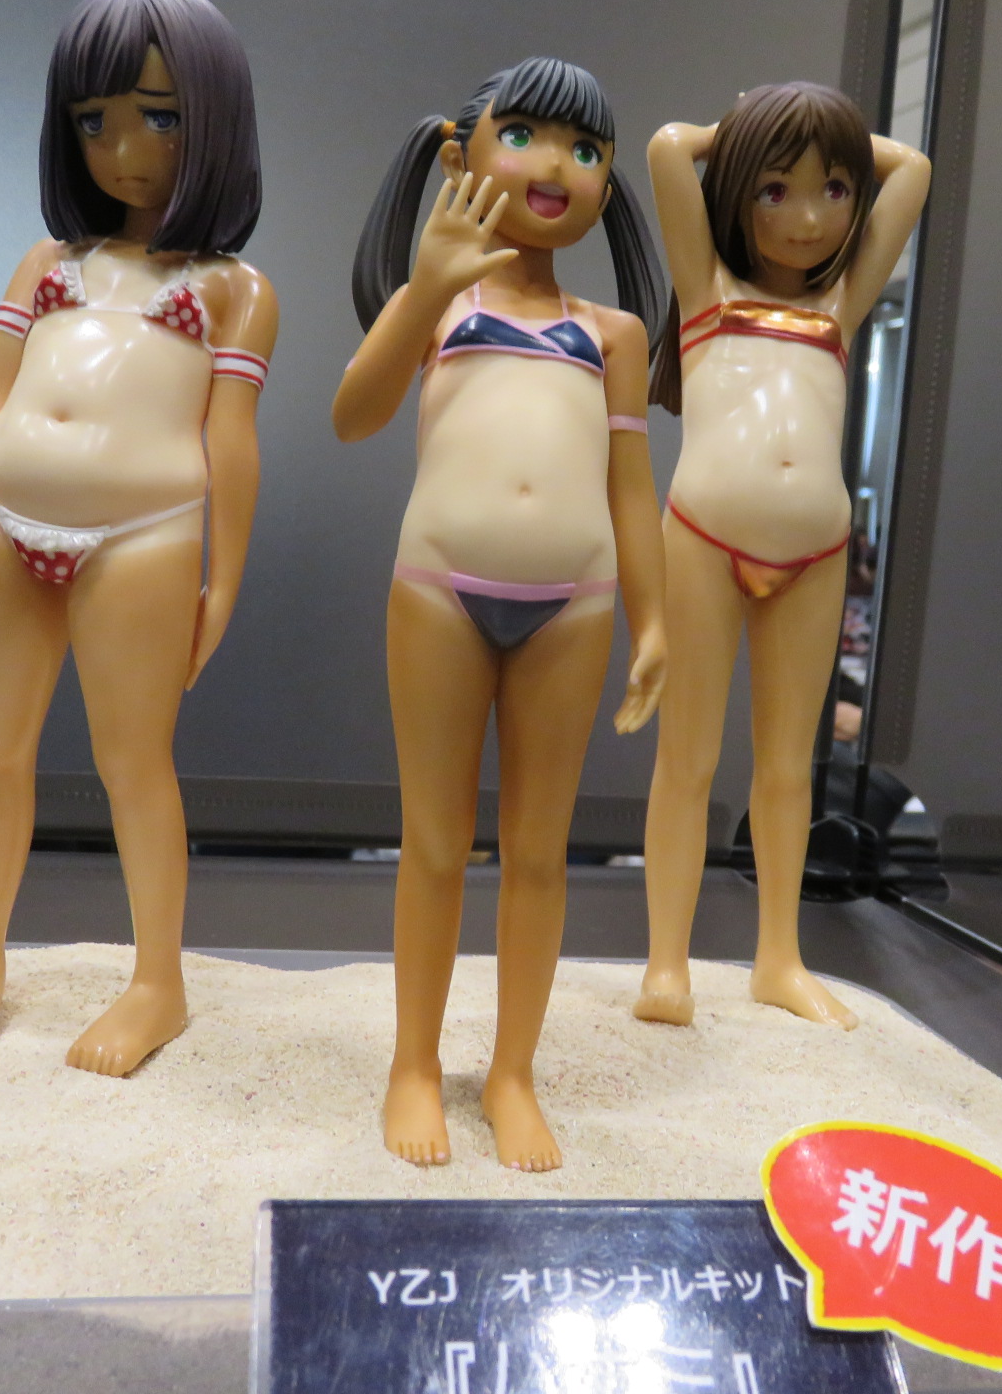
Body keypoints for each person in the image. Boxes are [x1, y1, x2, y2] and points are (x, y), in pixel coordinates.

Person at [0, 0, 275, 1076]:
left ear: (213, 120)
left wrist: (225, 578)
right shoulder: (47, 264)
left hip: (146, 535)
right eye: (95, 120)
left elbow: (232, 441)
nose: (125, 150)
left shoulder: (234, 291)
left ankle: (158, 981)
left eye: (160, 117)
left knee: (134, 765)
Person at [336, 57, 667, 1170]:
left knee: (538, 855)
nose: (555, 166)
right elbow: (352, 415)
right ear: (458, 155)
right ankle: (414, 1064)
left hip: (576, 606)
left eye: (586, 149)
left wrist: (656, 622)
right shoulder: (441, 305)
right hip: (438, 591)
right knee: (433, 846)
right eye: (523, 135)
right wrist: (424, 289)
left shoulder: (612, 333)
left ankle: (512, 1072)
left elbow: (631, 490)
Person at [635, 84, 928, 1029]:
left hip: (818, 550)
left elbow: (914, 169)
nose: (808, 218)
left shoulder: (841, 304)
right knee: (687, 759)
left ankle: (778, 958)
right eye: (775, 190)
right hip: (703, 539)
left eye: (833, 190)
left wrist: (811, 129)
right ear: (737, 193)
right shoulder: (705, 294)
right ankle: (667, 963)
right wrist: (747, 130)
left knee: (788, 768)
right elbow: (668, 149)